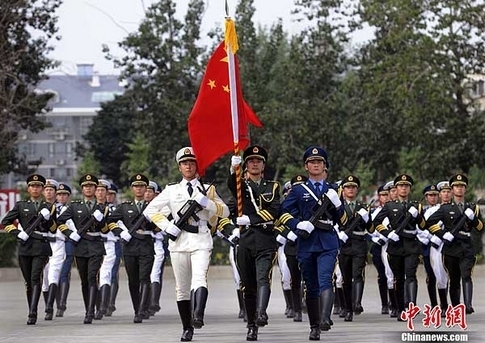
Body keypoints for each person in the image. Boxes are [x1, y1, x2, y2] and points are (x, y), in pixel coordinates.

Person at [144, 147, 230, 342]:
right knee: (182, 288)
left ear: (197, 166)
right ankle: (187, 327)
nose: (188, 166)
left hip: (201, 238)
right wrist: (167, 226)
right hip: (179, 241)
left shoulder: (208, 189)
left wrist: (207, 203)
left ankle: (198, 315)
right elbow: (150, 210)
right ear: (179, 167)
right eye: (184, 163)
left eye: (191, 162)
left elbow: (224, 212)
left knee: (199, 279)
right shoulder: (171, 189)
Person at [279, 146, 344, 341]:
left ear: (325, 166)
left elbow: (343, 221)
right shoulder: (298, 190)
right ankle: (314, 326)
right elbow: (283, 213)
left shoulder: (333, 189)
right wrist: (298, 223)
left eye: (319, 162)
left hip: (327, 242)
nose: (316, 164)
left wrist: (338, 204)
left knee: (326, 279)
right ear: (306, 166)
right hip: (306, 243)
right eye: (312, 162)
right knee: (311, 285)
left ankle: (324, 318)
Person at [228, 145, 281, 341]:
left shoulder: (273, 186)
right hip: (246, 240)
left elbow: (274, 209)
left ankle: (261, 313)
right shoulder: (241, 185)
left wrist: (251, 219)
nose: (254, 163)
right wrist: (232, 169)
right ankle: (251, 325)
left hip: (266, 239)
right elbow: (232, 186)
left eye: (258, 160)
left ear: (263, 165)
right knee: (247, 286)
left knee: (263, 278)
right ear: (246, 165)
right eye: (250, 161)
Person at [1, 174, 56, 325]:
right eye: (32, 186)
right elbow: (5, 222)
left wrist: (49, 219)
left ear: (43, 189)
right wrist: (19, 233)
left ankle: (33, 312)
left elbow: (54, 228)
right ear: (28, 188)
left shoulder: (49, 207)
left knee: (35, 278)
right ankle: (31, 307)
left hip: (41, 246)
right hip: (25, 247)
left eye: (38, 186)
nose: (35, 188)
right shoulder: (21, 205)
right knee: (28, 282)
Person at [426, 174, 483, 315]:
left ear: (465, 189)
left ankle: (468, 305)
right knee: (454, 279)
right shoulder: (446, 208)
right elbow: (429, 223)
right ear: (452, 189)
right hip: (451, 248)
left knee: (466, 275)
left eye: (462, 186)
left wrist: (474, 219)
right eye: (457, 186)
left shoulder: (472, 207)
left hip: (467, 246)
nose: (459, 189)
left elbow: (481, 228)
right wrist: (442, 234)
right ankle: (457, 307)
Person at [372, 174, 426, 320]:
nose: (403, 188)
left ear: (409, 189)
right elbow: (376, 222)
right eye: (401, 186)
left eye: (406, 186)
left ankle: (411, 307)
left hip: (411, 244)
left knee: (411, 275)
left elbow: (423, 225)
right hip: (395, 244)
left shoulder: (416, 205)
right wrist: (388, 233)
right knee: (398, 278)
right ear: (396, 188)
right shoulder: (390, 206)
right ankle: (401, 308)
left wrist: (418, 216)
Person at [57, 174, 107, 324]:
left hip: (96, 245)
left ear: (95, 188)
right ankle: (89, 308)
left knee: (92, 277)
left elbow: (106, 230)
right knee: (85, 280)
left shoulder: (102, 207)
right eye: (86, 186)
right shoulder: (75, 206)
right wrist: (70, 234)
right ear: (82, 189)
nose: (88, 188)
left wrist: (101, 220)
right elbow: (60, 221)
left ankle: (90, 312)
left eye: (91, 186)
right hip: (80, 246)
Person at [107, 174, 155, 323]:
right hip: (130, 246)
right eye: (136, 186)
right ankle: (137, 308)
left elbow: (160, 226)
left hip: (146, 245)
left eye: (141, 186)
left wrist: (151, 223)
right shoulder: (125, 206)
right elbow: (110, 221)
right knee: (133, 280)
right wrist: (121, 232)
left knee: (145, 278)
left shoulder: (152, 207)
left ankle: (141, 310)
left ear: (146, 188)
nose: (139, 188)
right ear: (132, 188)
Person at [336, 175, 372, 322]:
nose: (350, 189)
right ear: (343, 190)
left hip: (358, 243)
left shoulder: (363, 207)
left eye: (353, 187)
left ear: (357, 190)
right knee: (345, 278)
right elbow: (332, 222)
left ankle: (356, 303)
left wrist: (366, 218)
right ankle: (347, 308)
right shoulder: (338, 207)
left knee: (357, 274)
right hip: (343, 244)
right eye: (347, 187)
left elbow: (371, 228)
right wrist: (339, 233)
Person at [40, 179, 66, 321]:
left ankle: (50, 307)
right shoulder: (38, 207)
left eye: (51, 189)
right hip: (43, 244)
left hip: (58, 244)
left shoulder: (63, 209)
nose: (49, 191)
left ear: (56, 192)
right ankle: (47, 305)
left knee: (53, 275)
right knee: (44, 278)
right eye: (47, 189)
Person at [368, 184, 392, 315]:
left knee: (394, 275)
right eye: (382, 195)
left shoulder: (395, 210)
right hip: (378, 246)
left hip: (391, 244)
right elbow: (370, 230)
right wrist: (377, 238)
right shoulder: (375, 212)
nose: (385, 197)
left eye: (387, 194)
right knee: (382, 275)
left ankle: (394, 302)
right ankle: (384, 303)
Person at [94, 179, 116, 320]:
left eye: (103, 190)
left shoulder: (113, 209)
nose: (100, 192)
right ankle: (96, 305)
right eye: (98, 190)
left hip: (108, 243)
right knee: (93, 276)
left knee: (105, 274)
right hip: (93, 244)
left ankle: (103, 306)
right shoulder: (89, 207)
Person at [146, 180, 168, 317]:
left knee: (155, 273)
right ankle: (145, 303)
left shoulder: (162, 209)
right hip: (141, 245)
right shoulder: (139, 207)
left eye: (150, 191)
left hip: (157, 243)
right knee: (143, 275)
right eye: (145, 190)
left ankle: (153, 302)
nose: (147, 193)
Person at [416, 185, 440, 309]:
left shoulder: (443, 209)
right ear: (426, 197)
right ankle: (434, 303)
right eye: (430, 195)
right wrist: (431, 237)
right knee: (430, 276)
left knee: (442, 276)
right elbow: (419, 230)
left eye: (435, 195)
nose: (433, 197)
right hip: (427, 246)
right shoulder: (422, 212)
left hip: (441, 246)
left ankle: (444, 304)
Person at [54, 183, 73, 317]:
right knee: (52, 275)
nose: (61, 197)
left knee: (64, 273)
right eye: (59, 194)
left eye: (64, 194)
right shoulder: (50, 209)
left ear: (68, 196)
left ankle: (62, 303)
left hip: (67, 243)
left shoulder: (72, 209)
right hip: (52, 244)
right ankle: (54, 303)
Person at [105, 182, 122, 317]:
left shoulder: (119, 209)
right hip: (99, 243)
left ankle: (111, 302)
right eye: (107, 193)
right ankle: (101, 302)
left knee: (113, 273)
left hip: (114, 242)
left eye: (112, 194)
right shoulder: (97, 208)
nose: (109, 196)